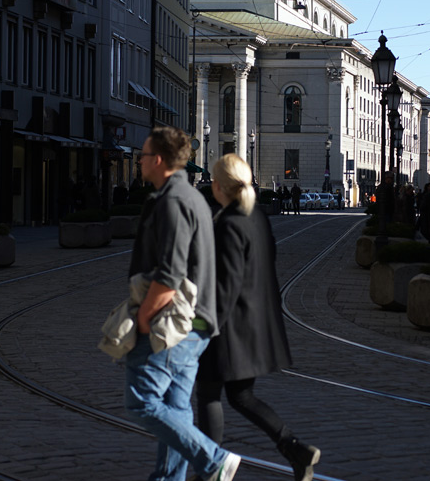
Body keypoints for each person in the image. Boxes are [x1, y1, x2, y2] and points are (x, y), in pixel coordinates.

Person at [125, 126, 240, 481]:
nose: (139, 160)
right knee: (175, 407)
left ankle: (214, 459)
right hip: (197, 322)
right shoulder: (191, 198)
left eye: (143, 155)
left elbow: (171, 274)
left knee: (142, 400)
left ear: (157, 160)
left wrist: (143, 319)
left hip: (176, 322)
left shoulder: (173, 201)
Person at [196, 154, 321, 481]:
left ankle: (211, 468)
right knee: (240, 396)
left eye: (212, 181)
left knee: (209, 393)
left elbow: (226, 285)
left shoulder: (230, 223)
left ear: (220, 186)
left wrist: (203, 328)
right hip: (253, 325)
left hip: (229, 329)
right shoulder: (256, 216)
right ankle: (296, 450)